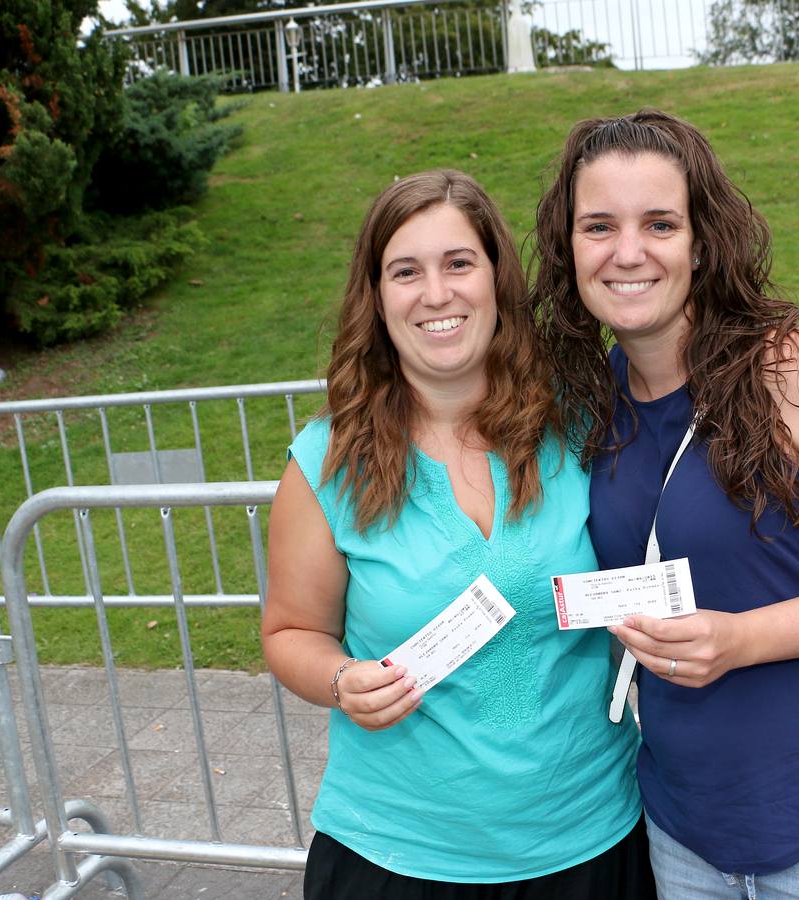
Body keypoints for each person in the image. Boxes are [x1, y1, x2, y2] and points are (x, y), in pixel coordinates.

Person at [531, 110, 799, 899]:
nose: (628, 253)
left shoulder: (788, 368)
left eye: (659, 223)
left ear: (702, 241)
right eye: (599, 226)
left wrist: (744, 639)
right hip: (688, 833)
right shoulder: (595, 405)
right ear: (569, 247)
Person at [262, 169, 654, 900]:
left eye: (458, 264)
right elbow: (290, 632)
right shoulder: (326, 461)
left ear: (496, 281)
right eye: (406, 271)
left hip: (590, 844)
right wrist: (343, 681)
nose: (436, 294)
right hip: (396, 857)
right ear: (376, 299)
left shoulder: (582, 424)